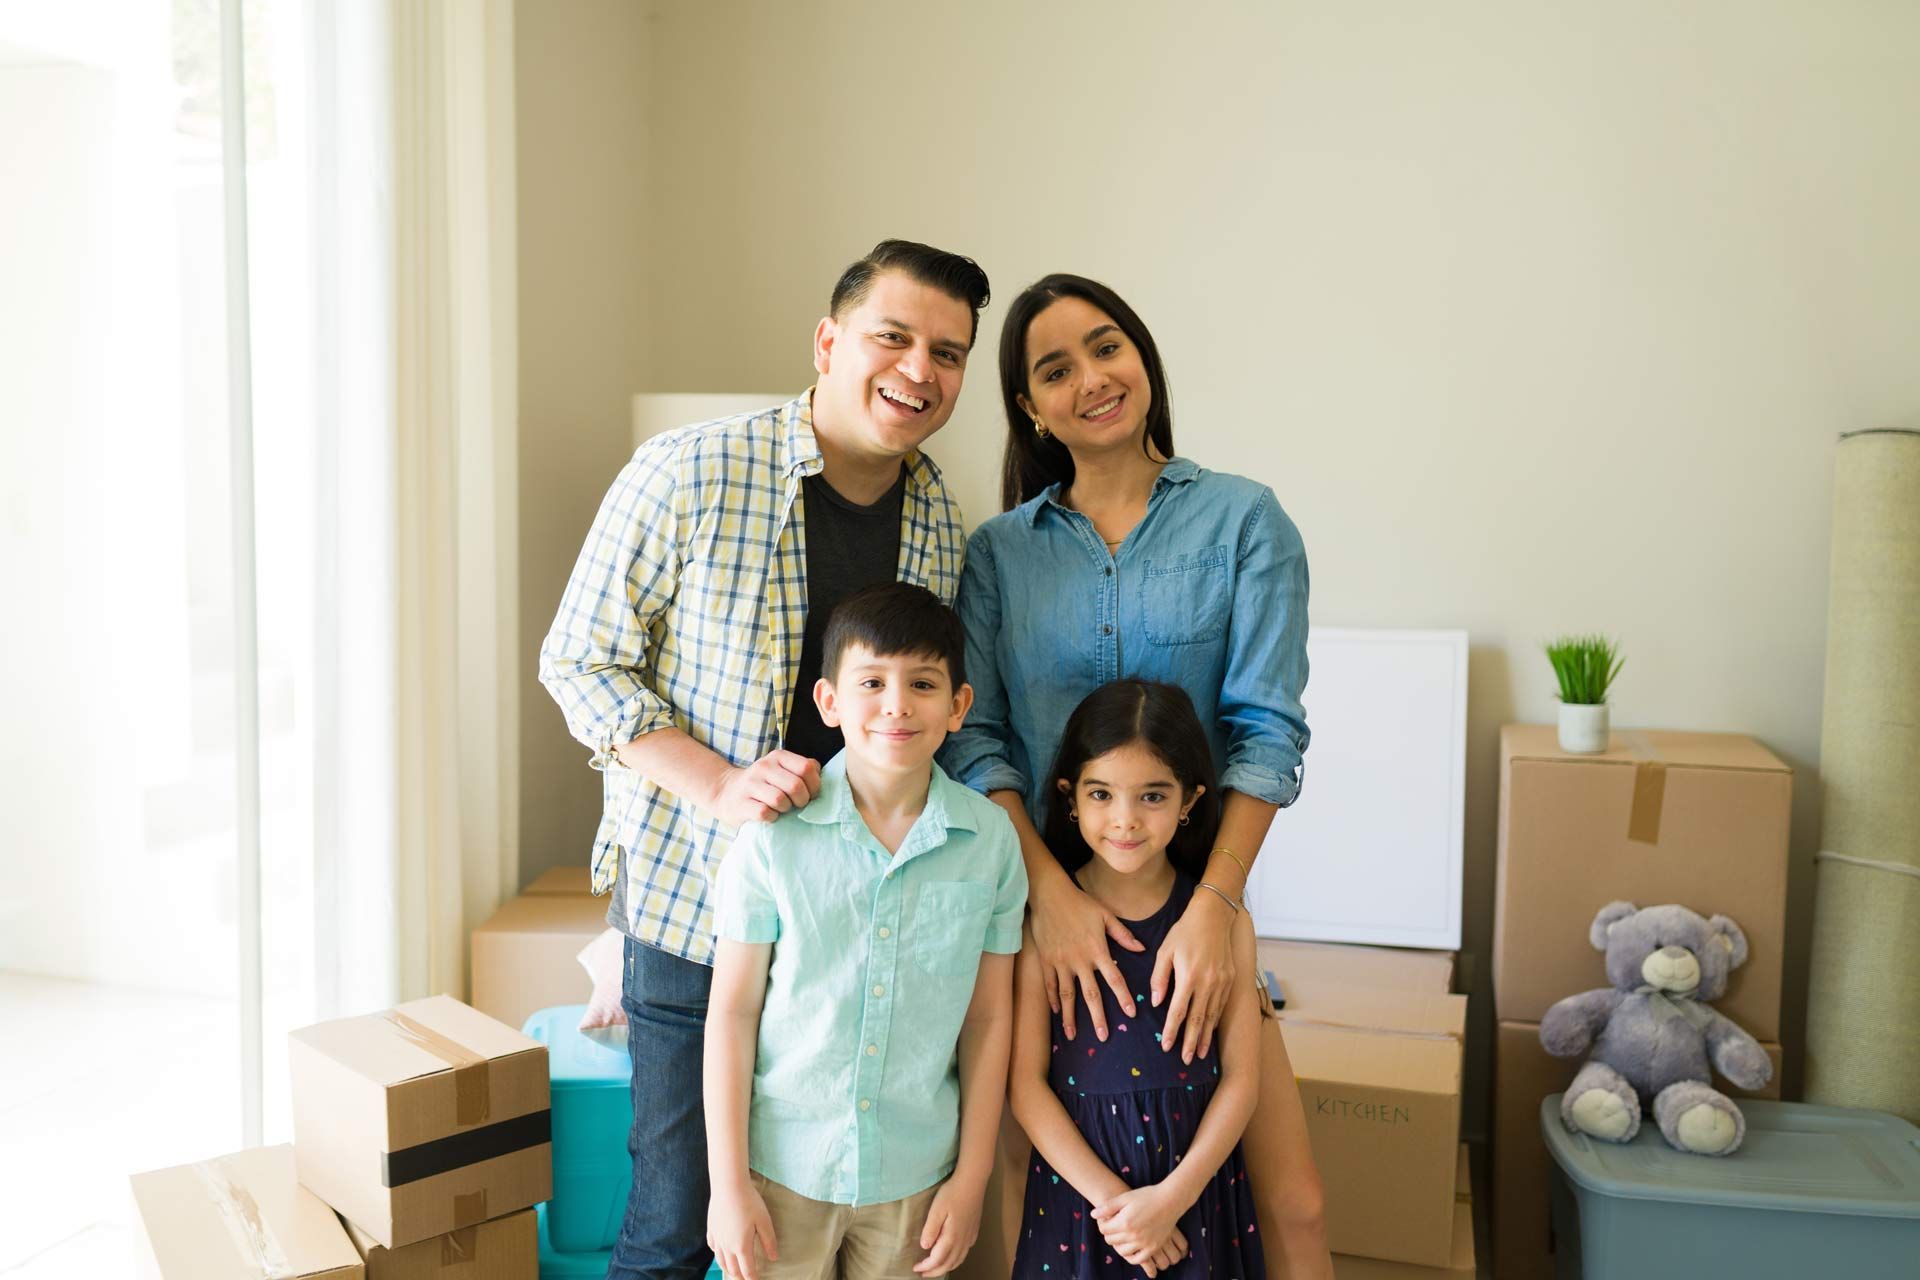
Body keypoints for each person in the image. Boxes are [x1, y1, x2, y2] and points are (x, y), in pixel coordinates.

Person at [540, 240, 991, 1280]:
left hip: (849, 937)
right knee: (678, 1212)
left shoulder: (939, 519)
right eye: (893, 336)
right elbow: (578, 659)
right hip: (697, 908)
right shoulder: (691, 469)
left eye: (949, 352)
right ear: (830, 340)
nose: (920, 370)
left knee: (809, 1225)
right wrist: (719, 783)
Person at [941, 274, 1330, 1275]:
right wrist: (1047, 896)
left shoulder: (1246, 522)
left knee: (1296, 1202)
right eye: (1054, 369)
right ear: (1029, 406)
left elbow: (1266, 734)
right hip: (1042, 917)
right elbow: (977, 740)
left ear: (1144, 359)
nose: (1091, 379)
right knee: (1046, 1202)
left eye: (1107, 347)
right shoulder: (999, 553)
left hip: (1196, 904)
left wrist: (1215, 907)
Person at [705, 583, 1027, 1280]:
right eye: (872, 682)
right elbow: (731, 1014)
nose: (897, 705)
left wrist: (972, 1181)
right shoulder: (772, 837)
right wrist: (728, 1187)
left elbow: (989, 1017)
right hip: (781, 1169)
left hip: (916, 1177)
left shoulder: (992, 841)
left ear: (958, 706)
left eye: (922, 683)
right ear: (829, 702)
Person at [1009, 680, 1263, 1280]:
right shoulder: (1042, 925)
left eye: (1152, 796)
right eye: (1102, 794)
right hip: (1083, 1209)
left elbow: (1242, 1084)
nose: (1124, 820)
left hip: (1196, 1199)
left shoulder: (1225, 924)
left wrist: (1168, 1201)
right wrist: (1118, 1209)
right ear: (1071, 798)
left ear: (1190, 801)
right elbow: (1026, 1087)